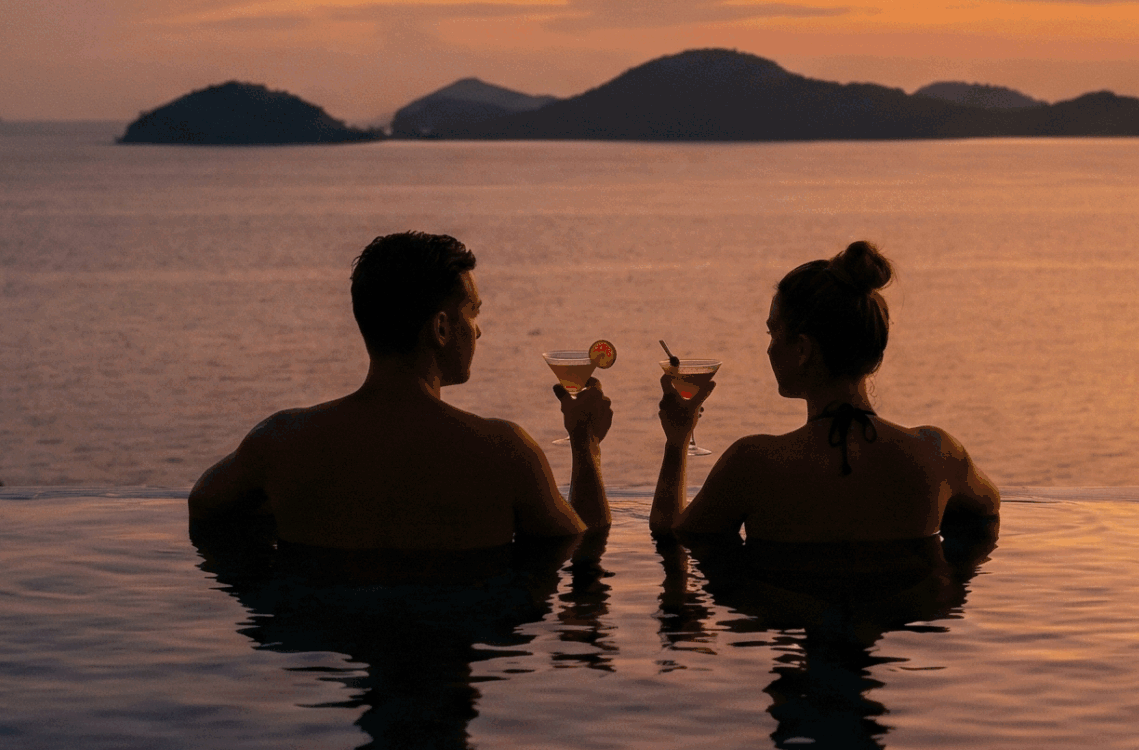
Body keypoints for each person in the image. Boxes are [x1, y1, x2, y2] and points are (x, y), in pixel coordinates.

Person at [188, 231, 612, 549]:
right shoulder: (505, 452)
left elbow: (204, 506)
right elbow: (585, 550)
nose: (478, 331)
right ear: (441, 328)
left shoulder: (279, 442)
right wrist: (585, 442)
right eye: (472, 313)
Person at [648, 240, 999, 542]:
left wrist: (677, 440)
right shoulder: (939, 455)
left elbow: (672, 534)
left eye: (773, 333)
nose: (769, 349)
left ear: (802, 349)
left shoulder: (752, 465)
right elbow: (988, 509)